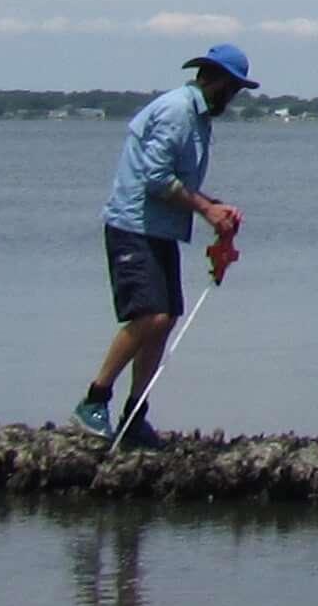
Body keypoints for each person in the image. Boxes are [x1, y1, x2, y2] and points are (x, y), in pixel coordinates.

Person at [76, 45, 252, 441]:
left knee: (166, 317)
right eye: (234, 88)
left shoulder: (199, 117)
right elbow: (156, 180)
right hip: (133, 225)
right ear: (217, 81)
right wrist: (206, 211)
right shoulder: (177, 111)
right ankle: (94, 400)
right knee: (149, 316)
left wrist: (213, 204)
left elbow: (178, 182)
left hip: (160, 229)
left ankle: (135, 415)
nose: (235, 96)